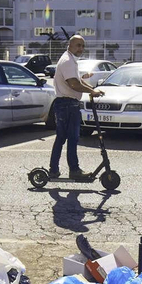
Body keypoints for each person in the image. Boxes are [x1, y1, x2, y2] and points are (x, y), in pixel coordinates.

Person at [49, 35, 100, 180]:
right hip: (67, 105)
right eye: (78, 45)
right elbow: (74, 84)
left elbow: (78, 82)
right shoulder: (67, 61)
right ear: (70, 45)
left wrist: (93, 89)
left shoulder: (70, 60)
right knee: (72, 138)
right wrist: (92, 91)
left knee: (62, 138)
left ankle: (54, 170)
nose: (81, 49)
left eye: (83, 46)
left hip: (66, 104)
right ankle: (74, 170)